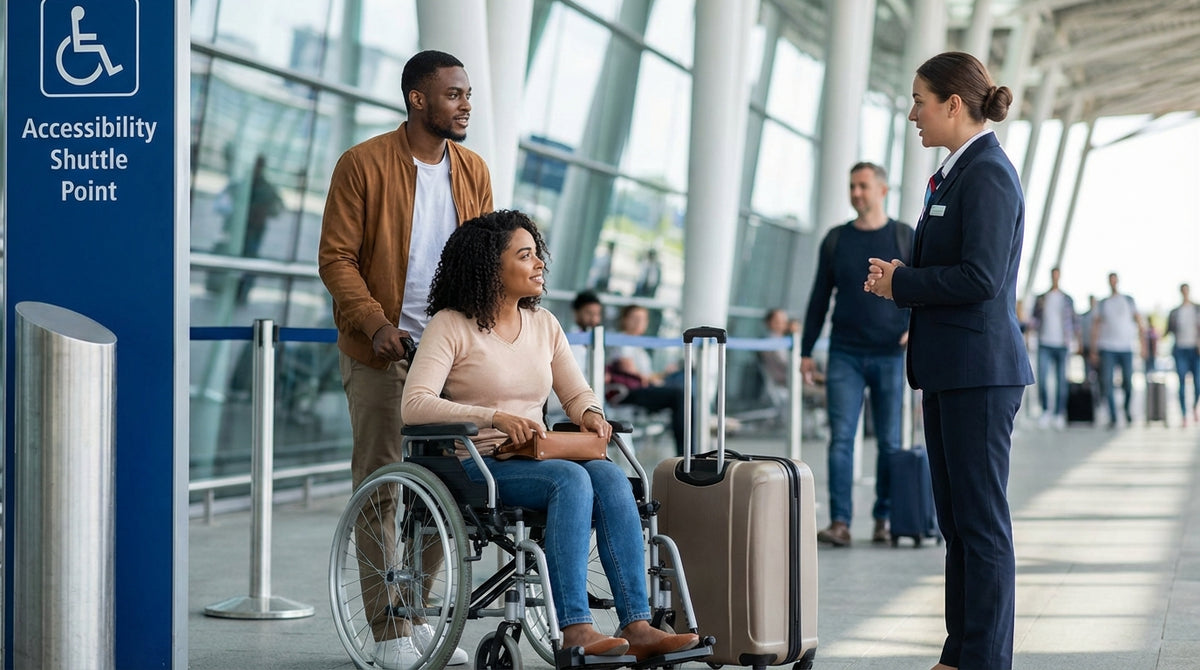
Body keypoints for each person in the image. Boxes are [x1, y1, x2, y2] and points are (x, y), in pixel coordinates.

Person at [401, 210, 699, 661]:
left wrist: (592, 414)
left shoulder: (544, 325)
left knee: (610, 475)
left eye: (537, 253)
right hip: (478, 463)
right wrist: (493, 416)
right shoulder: (451, 324)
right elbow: (415, 403)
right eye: (525, 255)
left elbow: (575, 391)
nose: (539, 262)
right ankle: (575, 627)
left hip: (536, 456)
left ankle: (637, 625)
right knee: (572, 480)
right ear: (491, 266)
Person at [317, 49, 492, 668]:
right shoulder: (361, 165)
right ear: (418, 99)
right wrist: (375, 323)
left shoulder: (472, 170)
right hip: (381, 350)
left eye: (467, 94)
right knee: (382, 488)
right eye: (453, 94)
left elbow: (484, 262)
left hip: (449, 355)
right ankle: (387, 627)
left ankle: (418, 615)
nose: (465, 104)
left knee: (450, 490)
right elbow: (336, 258)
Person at [864, 51, 1034, 670]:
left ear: (953, 105)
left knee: (981, 526)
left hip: (980, 373)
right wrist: (905, 280)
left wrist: (902, 283)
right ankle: (960, 652)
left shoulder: (986, 172)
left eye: (918, 100)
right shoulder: (955, 173)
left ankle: (984, 659)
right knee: (958, 525)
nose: (912, 114)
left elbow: (981, 277)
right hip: (952, 369)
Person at [801, 161, 914, 547]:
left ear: (882, 190)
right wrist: (805, 351)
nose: (856, 193)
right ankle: (841, 522)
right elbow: (819, 298)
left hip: (889, 354)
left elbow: (923, 288)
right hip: (845, 352)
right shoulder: (836, 239)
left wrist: (916, 326)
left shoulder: (903, 237)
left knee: (888, 440)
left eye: (863, 186)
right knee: (842, 439)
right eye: (852, 186)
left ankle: (884, 517)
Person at [606, 304, 686, 456]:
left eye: (642, 319)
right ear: (624, 320)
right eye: (635, 318)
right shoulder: (623, 341)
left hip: (640, 389)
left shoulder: (639, 346)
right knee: (679, 395)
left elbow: (646, 376)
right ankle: (684, 452)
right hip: (629, 392)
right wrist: (654, 378)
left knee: (684, 395)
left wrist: (663, 374)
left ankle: (687, 450)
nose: (639, 323)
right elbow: (631, 371)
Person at [1089, 272, 1144, 428]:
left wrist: (1143, 345)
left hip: (1126, 347)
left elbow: (1140, 323)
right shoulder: (1103, 303)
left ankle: (1126, 409)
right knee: (1107, 382)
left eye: (1115, 280)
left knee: (1128, 382)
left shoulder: (1128, 300)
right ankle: (1113, 416)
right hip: (1107, 347)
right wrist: (1093, 349)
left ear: (1118, 281)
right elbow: (1095, 326)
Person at [1029, 267, 1078, 429]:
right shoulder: (1042, 298)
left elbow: (1074, 321)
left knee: (1061, 381)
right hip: (1044, 342)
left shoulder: (1067, 299)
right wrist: (1029, 335)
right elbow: (1034, 319)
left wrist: (1075, 341)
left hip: (1062, 344)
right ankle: (1045, 411)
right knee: (1042, 378)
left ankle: (1058, 413)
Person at [237, 154, 285, 302]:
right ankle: (239, 291)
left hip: (253, 231)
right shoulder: (246, 184)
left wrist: (263, 212)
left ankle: (242, 293)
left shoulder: (264, 187)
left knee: (249, 262)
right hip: (241, 230)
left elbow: (278, 208)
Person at [1166, 283, 1200, 425]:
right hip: (1180, 349)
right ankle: (1184, 415)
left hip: (1196, 350)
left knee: (1198, 383)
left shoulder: (1197, 309)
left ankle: (1194, 407)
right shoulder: (1175, 311)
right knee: (1181, 383)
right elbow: (1168, 330)